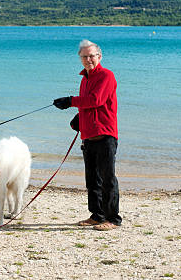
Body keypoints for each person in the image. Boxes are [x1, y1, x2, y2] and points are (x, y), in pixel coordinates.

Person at [53, 39, 121, 231]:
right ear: (80, 59)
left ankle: (113, 219)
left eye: (92, 55)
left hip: (105, 135)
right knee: (92, 180)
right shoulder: (85, 79)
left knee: (108, 179)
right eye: (85, 56)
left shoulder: (107, 75)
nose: (89, 59)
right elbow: (89, 105)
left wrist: (70, 101)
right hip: (89, 137)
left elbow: (96, 100)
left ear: (99, 56)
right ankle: (97, 215)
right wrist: (79, 119)